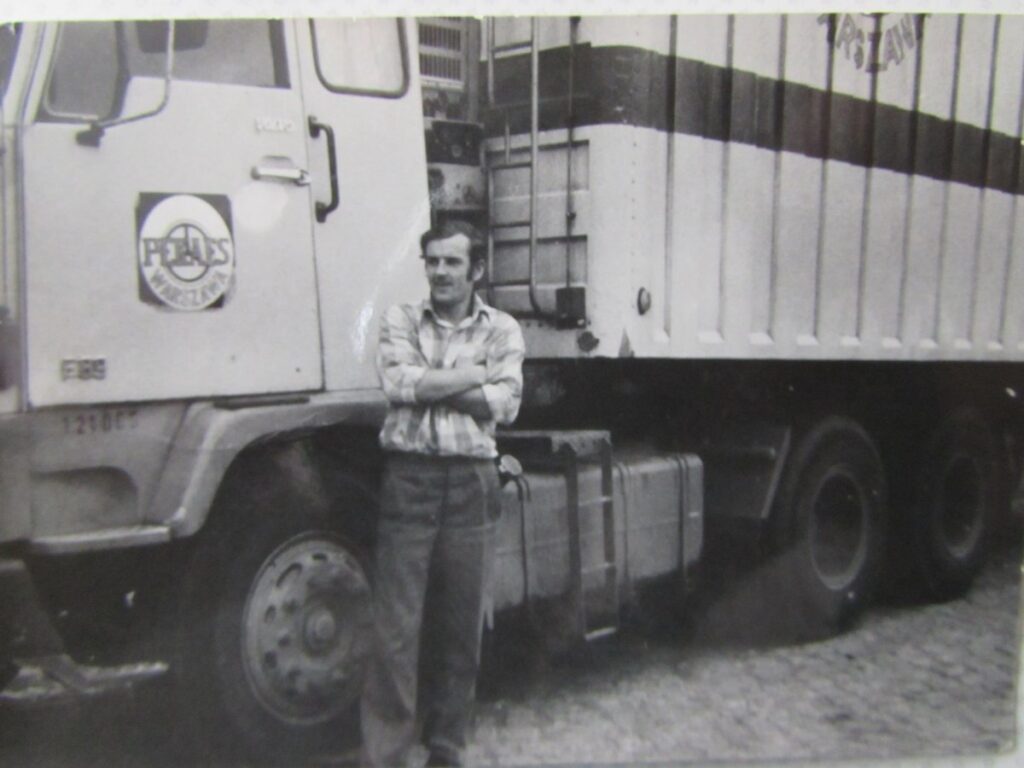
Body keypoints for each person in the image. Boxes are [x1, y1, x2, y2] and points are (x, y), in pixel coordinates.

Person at [361, 219, 525, 768]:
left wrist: (434, 382)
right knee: (395, 629)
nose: (439, 272)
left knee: (460, 625)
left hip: (471, 484)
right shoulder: (401, 319)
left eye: (452, 262)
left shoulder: (502, 329)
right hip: (410, 480)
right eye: (432, 261)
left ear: (476, 269)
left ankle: (447, 748)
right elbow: (399, 384)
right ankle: (385, 755)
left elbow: (505, 404)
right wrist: (472, 374)